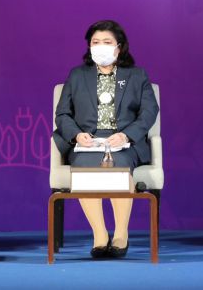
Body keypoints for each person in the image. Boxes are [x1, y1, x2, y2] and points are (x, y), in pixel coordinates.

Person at [53, 20, 159, 259]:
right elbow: (62, 114)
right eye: (95, 42)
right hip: (87, 142)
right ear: (89, 46)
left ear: (119, 47)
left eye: (107, 42)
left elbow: (149, 111)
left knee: (119, 168)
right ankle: (99, 235)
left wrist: (126, 135)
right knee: (84, 169)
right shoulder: (77, 75)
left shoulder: (137, 75)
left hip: (123, 141)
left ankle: (121, 234)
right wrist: (77, 135)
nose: (100, 46)